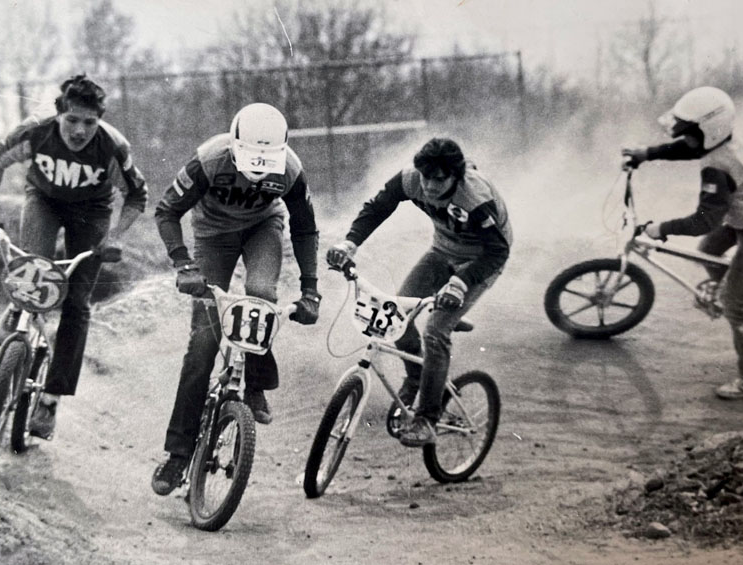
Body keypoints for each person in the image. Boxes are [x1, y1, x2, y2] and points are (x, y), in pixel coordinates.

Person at [150, 102, 321, 496]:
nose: (258, 170)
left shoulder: (291, 169)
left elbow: (306, 228)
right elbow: (166, 210)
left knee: (260, 295)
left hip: (263, 227)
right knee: (203, 344)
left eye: (266, 162)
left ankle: (256, 382)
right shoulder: (208, 159)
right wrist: (183, 265)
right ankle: (177, 455)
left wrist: (311, 288)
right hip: (213, 237)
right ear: (235, 144)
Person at [0, 74, 148, 439]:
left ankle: (50, 400)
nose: (80, 130)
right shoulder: (36, 132)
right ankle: (17, 312)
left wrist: (114, 236)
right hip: (45, 200)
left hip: (92, 212)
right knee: (33, 267)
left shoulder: (112, 147)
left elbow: (136, 196)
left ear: (99, 120)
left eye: (89, 121)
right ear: (58, 115)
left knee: (77, 302)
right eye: (72, 120)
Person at [326, 137, 513, 447]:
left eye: (439, 179)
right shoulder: (413, 179)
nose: (429, 186)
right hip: (442, 251)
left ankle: (426, 418)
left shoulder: (476, 198)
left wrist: (461, 282)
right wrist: (350, 242)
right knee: (397, 314)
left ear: (457, 175)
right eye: (426, 176)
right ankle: (416, 379)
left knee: (436, 332)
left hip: (481, 259)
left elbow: (498, 252)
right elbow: (377, 207)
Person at [622, 86, 743, 400]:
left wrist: (659, 228)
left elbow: (704, 221)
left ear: (708, 131)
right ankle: (735, 286)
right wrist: (646, 153)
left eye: (690, 133)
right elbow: (688, 148)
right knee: (708, 252)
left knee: (735, 306)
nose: (687, 139)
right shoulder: (720, 142)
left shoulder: (716, 168)